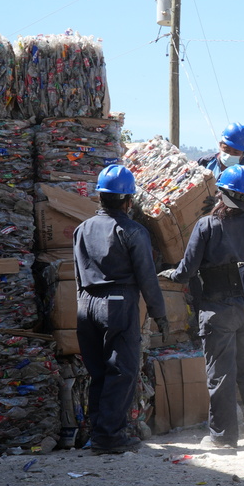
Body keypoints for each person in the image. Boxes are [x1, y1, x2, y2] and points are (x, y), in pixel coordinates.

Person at [159, 165, 244, 449]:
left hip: (217, 310)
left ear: (221, 194)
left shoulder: (207, 225)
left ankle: (223, 438)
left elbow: (186, 272)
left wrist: (167, 274)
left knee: (221, 375)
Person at [74, 164, 169, 455]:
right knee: (122, 370)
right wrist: (159, 314)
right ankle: (109, 437)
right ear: (129, 201)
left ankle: (99, 432)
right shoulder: (132, 231)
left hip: (85, 304)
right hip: (117, 304)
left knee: (98, 372)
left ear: (100, 197)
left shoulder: (81, 229)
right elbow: (147, 277)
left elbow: (78, 275)